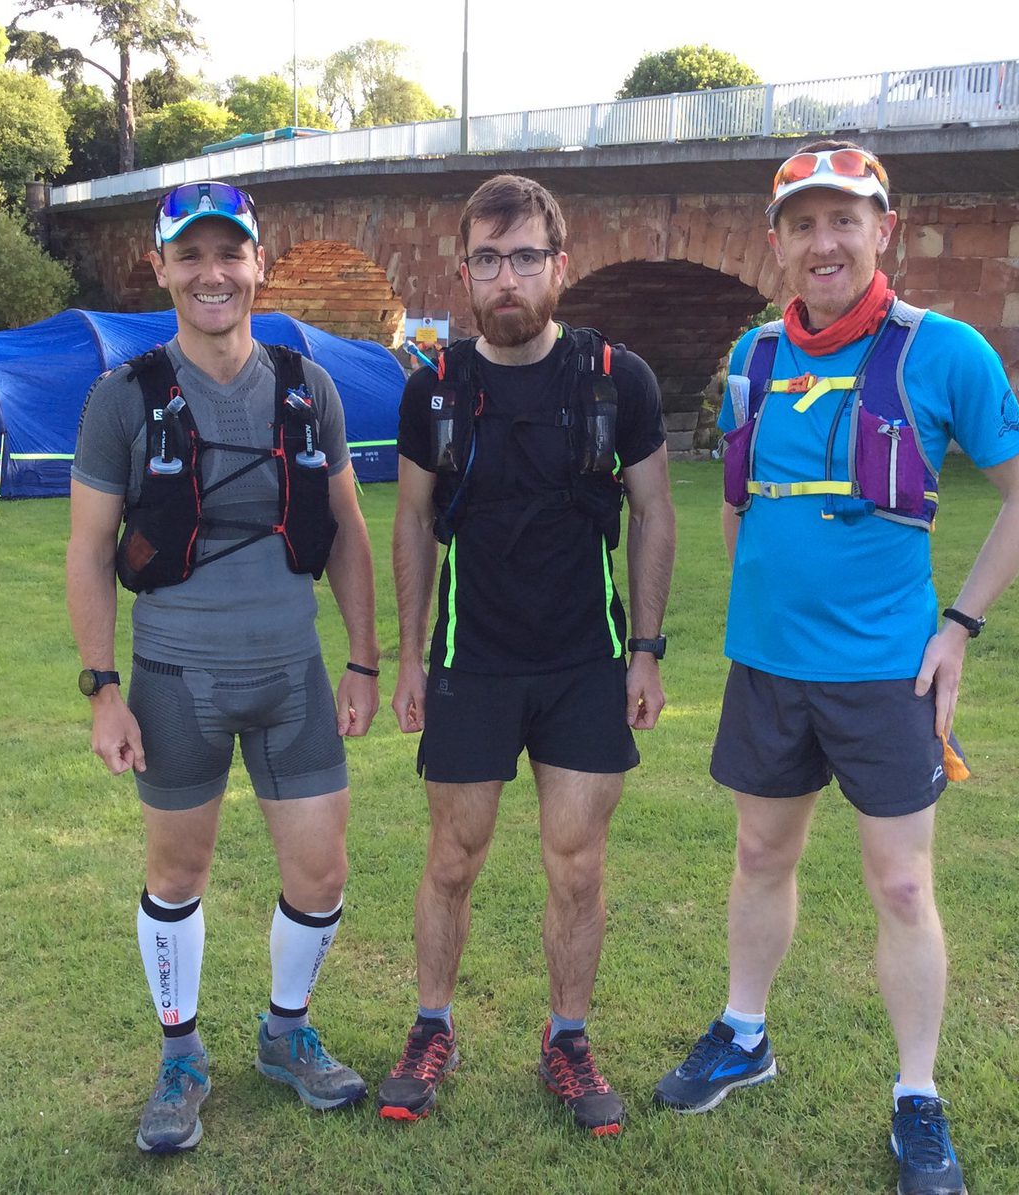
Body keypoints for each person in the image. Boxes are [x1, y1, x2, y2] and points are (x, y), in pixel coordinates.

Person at [652, 143, 1019, 1195]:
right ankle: (745, 1033)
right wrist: (762, 607)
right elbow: (739, 501)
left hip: (887, 675)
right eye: (802, 224)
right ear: (777, 241)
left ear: (888, 229)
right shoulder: (754, 355)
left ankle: (916, 1098)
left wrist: (957, 625)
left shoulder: (945, 350)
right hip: (768, 668)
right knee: (758, 855)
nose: (823, 241)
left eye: (845, 220)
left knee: (903, 883)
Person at [65, 180, 380, 1154]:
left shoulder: (304, 384)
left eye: (229, 254)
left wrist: (365, 660)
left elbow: (348, 532)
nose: (212, 273)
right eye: (190, 255)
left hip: (291, 671)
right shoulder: (125, 397)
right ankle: (180, 1053)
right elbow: (87, 549)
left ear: (258, 265)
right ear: (159, 268)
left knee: (321, 872)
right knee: (177, 867)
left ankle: (285, 1034)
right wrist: (102, 688)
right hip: (174, 676)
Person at [379, 174, 676, 1136]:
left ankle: (569, 1038)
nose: (507, 278)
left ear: (560, 264)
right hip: (472, 661)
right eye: (488, 259)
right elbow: (413, 522)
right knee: (453, 857)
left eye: (526, 258)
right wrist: (413, 658)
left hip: (586, 663)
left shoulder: (614, 379)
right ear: (464, 270)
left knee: (577, 865)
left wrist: (647, 651)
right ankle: (432, 1027)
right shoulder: (434, 390)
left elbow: (655, 514)